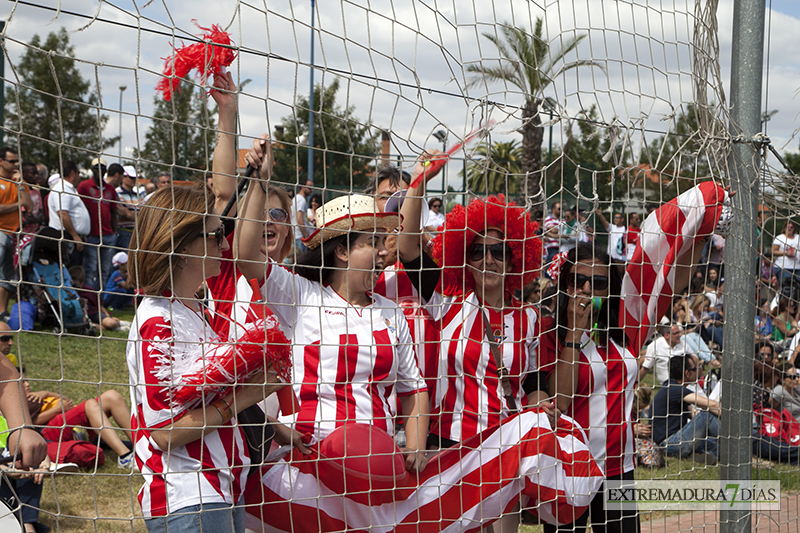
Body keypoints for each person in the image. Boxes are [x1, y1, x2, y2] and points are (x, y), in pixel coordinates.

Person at [242, 138, 599, 533]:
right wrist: (416, 186)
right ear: (342, 251)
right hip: (340, 458)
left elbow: (419, 388)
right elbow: (246, 255)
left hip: (425, 460)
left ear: (517, 257)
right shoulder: (438, 303)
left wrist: (413, 445)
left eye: (501, 252)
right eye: (479, 251)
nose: (381, 253)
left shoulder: (526, 318)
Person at [541, 182, 732, 533]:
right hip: (567, 467)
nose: (587, 290)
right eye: (579, 281)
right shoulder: (549, 336)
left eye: (597, 283)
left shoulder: (626, 328)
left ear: (609, 290)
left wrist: (701, 225)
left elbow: (675, 275)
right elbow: (561, 400)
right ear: (566, 284)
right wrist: (573, 333)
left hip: (619, 470)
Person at [127, 184, 285, 531]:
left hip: (221, 488)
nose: (225, 244)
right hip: (189, 495)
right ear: (183, 245)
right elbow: (166, 432)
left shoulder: (193, 309)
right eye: (216, 235)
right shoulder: (158, 321)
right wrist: (247, 395)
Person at [202, 72, 293, 338]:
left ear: (288, 227)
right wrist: (227, 110)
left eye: (276, 214)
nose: (266, 221)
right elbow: (223, 194)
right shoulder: (228, 267)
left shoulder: (296, 282)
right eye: (258, 214)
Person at [651, 354, 721, 464]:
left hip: (674, 441)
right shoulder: (675, 389)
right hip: (669, 444)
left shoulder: (671, 388)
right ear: (687, 373)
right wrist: (732, 417)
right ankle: (738, 441)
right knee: (707, 415)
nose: (698, 371)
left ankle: (698, 456)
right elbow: (711, 405)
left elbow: (695, 415)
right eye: (695, 369)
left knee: (712, 443)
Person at [0, 147, 33, 320]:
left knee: (7, 276)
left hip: (13, 234)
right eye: (11, 161)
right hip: (0, 231)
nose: (15, 165)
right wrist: (16, 205)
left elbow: (29, 206)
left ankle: (2, 312)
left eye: (16, 161)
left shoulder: (18, 182)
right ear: (1, 161)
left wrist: (20, 186)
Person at [78, 157, 120, 291]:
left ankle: (100, 300)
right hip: (92, 235)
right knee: (90, 268)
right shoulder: (84, 186)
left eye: (102, 169)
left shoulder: (110, 189)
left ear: (105, 171)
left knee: (105, 270)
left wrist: (115, 231)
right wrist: (83, 232)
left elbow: (113, 211)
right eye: (96, 168)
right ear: (92, 170)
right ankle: (91, 299)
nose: (99, 171)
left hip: (108, 235)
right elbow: (81, 209)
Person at [47, 161, 90, 267]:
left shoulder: (68, 188)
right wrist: (75, 236)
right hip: (66, 237)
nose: (79, 176)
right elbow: (63, 213)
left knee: (76, 269)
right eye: (78, 173)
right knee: (70, 269)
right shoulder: (62, 189)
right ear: (72, 173)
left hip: (71, 236)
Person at [68, 266, 127, 332]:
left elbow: (100, 305)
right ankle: (111, 328)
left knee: (111, 323)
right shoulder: (67, 292)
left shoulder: (89, 290)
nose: (77, 289)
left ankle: (120, 323)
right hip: (81, 316)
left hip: (95, 314)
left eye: (79, 286)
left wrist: (108, 316)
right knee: (88, 325)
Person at [113, 164, 144, 250]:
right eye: (131, 177)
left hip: (136, 233)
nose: (134, 180)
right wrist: (136, 214)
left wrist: (129, 213)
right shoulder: (117, 193)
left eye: (135, 178)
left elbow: (143, 213)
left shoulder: (138, 196)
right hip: (123, 232)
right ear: (123, 177)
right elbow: (124, 214)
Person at [773, 220, 800, 292]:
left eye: (791, 227)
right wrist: (786, 253)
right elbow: (773, 251)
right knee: (786, 289)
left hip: (797, 267)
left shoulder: (798, 238)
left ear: (794, 228)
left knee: (797, 290)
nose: (789, 228)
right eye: (787, 227)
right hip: (783, 267)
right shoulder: (779, 238)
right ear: (784, 228)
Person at [290, 179, 312, 252]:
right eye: (309, 187)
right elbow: (299, 219)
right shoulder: (301, 200)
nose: (311, 190)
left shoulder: (297, 198)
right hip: (299, 236)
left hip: (296, 235)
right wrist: (305, 235)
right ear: (303, 187)